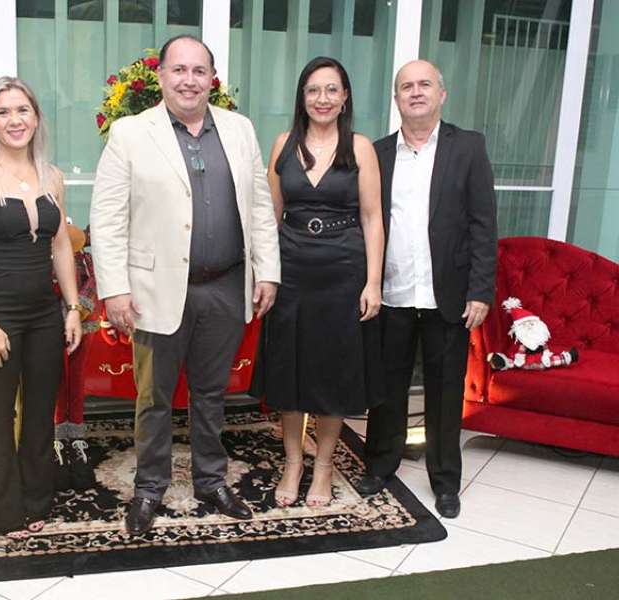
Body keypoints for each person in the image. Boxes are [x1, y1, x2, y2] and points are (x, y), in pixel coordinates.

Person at [90, 34, 280, 536]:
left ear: (211, 79)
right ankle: (149, 489)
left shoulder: (239, 130)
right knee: (153, 397)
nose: (189, 80)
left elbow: (260, 207)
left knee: (211, 394)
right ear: (160, 76)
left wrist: (268, 270)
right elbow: (107, 219)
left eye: (199, 71)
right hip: (154, 291)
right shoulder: (131, 133)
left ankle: (211, 481)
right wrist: (114, 289)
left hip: (225, 286)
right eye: (179, 70)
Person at [355, 60, 497, 519]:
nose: (415, 92)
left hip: (448, 296)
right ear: (396, 98)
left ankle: (446, 481)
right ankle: (380, 465)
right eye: (406, 87)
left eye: (424, 85)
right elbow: (366, 222)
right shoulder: (377, 153)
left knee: (445, 392)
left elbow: (483, 224)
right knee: (387, 389)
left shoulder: (468, 147)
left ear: (441, 93)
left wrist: (481, 290)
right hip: (391, 294)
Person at [0, 76, 83, 538]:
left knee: (41, 412)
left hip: (44, 313)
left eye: (22, 110)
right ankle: (3, 512)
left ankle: (36, 498)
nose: (14, 120)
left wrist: (73, 307)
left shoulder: (52, 176)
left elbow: (61, 246)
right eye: (3, 112)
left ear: (36, 117)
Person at [265, 57, 385, 508]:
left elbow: (372, 218)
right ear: (302, 97)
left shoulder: (361, 147)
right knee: (290, 371)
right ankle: (293, 462)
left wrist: (373, 282)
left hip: (343, 272)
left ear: (345, 97)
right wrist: (265, 274)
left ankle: (324, 466)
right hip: (291, 269)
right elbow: (270, 216)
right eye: (314, 90)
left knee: (332, 373)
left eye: (332, 89)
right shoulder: (283, 144)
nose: (323, 99)